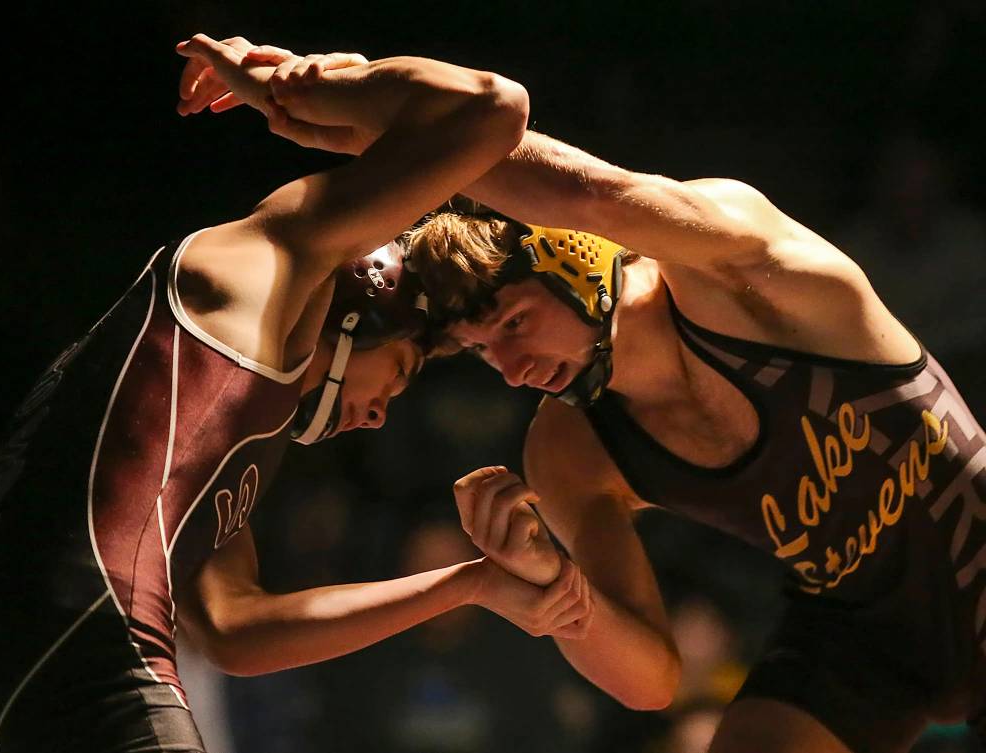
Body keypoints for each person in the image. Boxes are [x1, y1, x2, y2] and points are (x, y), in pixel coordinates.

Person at [0, 36, 595, 753]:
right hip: (85, 646)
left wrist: (467, 585)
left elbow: (235, 630)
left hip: (17, 675)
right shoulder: (264, 262)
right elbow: (492, 105)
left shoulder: (222, 430)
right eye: (400, 371)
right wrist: (308, 88)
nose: (384, 411)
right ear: (362, 308)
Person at [395, 124, 986, 753]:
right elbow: (649, 681)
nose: (515, 370)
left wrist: (405, 128)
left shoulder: (725, 274)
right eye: (484, 351)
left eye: (517, 323)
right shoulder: (572, 445)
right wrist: (550, 587)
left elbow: (596, 194)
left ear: (575, 257)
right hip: (856, 628)